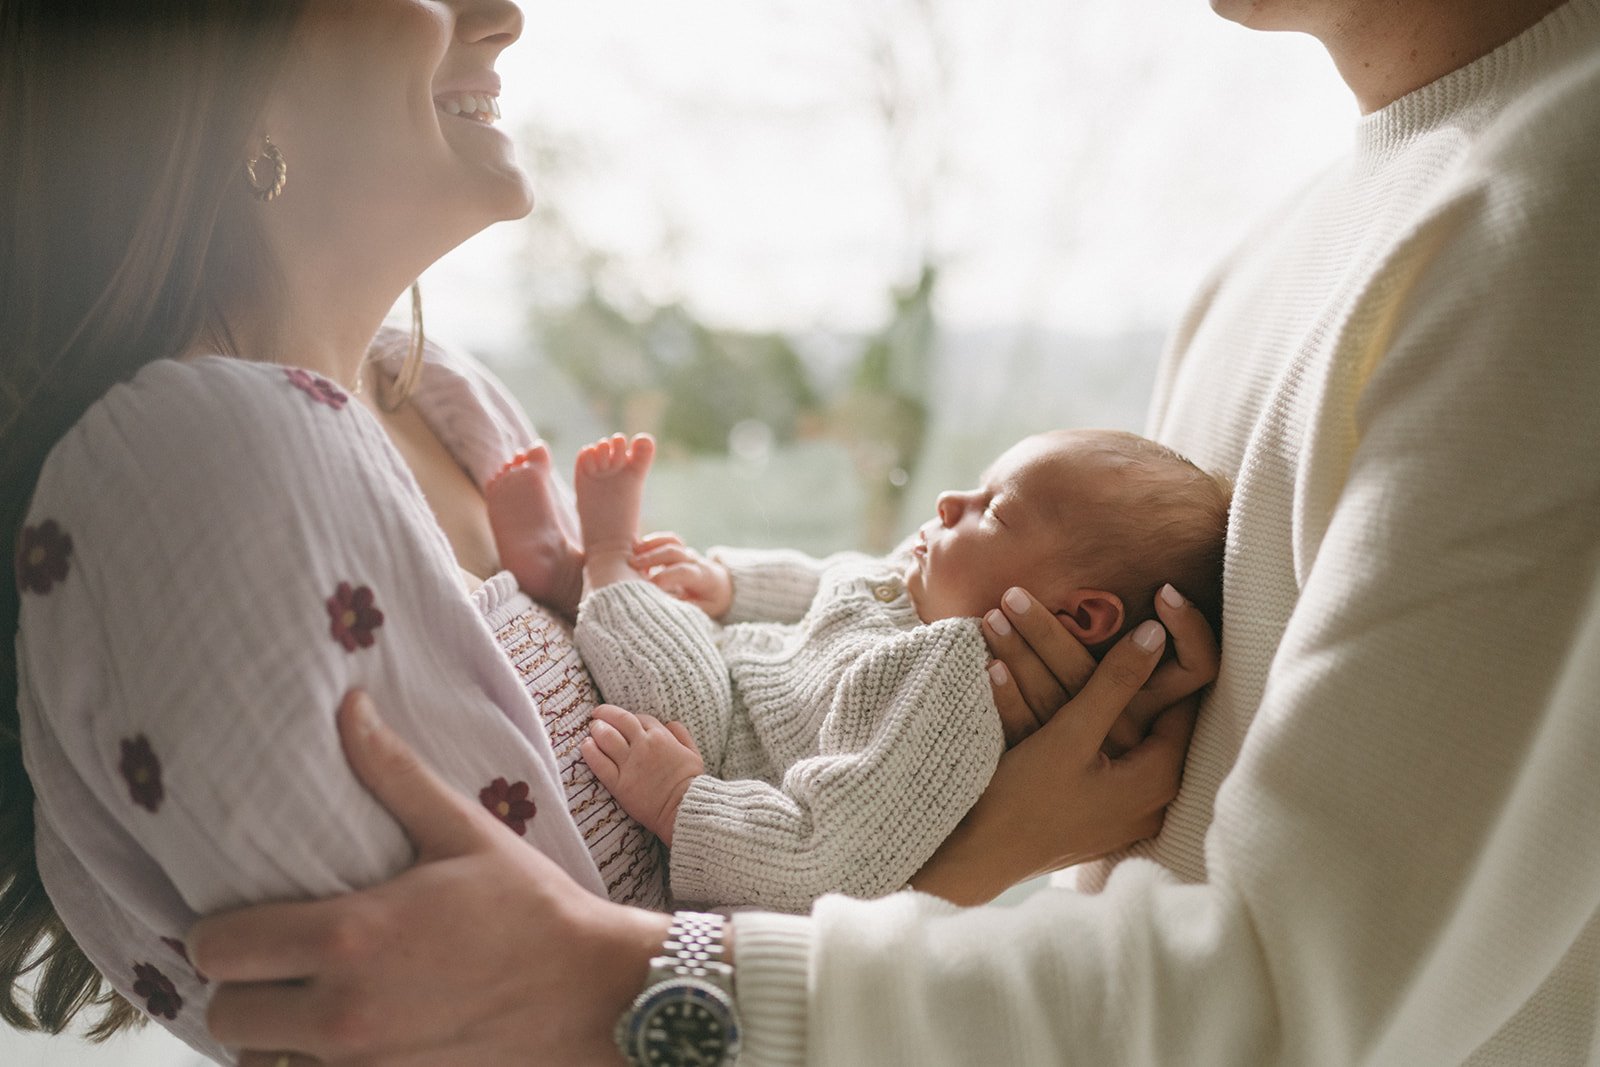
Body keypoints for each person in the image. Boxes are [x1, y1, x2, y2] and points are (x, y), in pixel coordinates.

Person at [181, 0, 1600, 1063]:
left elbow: (1303, 992)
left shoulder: (1555, 210)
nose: (508, 13)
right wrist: (978, 849)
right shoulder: (1283, 254)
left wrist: (631, 982)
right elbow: (1146, 869)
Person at [0, 2, 1205, 1064]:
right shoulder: (206, 471)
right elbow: (483, 1039)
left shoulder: (443, 400)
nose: (501, 12)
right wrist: (980, 856)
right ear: (204, 57)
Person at [482, 428, 1228, 913]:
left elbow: (829, 855)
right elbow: (835, 579)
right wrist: (731, 584)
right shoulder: (922, 591)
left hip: (727, 763)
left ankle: (600, 560)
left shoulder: (950, 690)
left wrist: (683, 798)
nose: (948, 501)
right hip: (750, 683)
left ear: (1080, 616)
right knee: (688, 619)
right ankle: (567, 570)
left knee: (677, 674)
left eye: (993, 513)